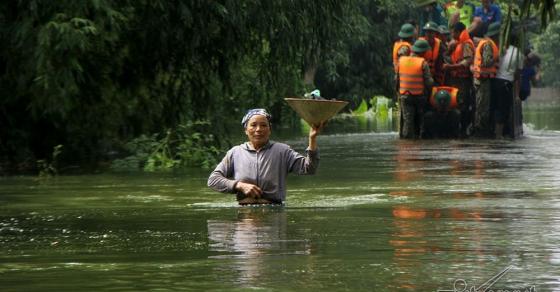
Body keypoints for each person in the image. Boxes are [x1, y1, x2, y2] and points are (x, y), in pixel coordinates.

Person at [207, 108, 323, 205]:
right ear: (246, 130)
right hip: (245, 217)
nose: (258, 129)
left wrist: (312, 139)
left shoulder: (282, 151)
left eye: (263, 125)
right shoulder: (235, 152)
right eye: (253, 125)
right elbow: (213, 180)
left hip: (274, 212)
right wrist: (239, 185)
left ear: (269, 130)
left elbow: (310, 168)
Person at [396, 39, 434, 139]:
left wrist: (399, 92)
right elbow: (429, 82)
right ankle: (419, 140)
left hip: (405, 95)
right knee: (420, 121)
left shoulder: (401, 61)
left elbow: (397, 79)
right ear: (423, 52)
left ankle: (407, 143)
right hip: (419, 97)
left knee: (408, 120)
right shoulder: (423, 63)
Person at [443, 22, 475, 136]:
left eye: (453, 32)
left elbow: (466, 63)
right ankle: (456, 129)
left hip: (463, 81)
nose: (451, 35)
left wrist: (450, 67)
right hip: (455, 79)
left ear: (458, 32)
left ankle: (463, 130)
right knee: (455, 104)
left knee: (462, 105)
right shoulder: (458, 43)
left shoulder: (466, 44)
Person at [472, 22, 500, 137]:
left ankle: (480, 130)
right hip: (482, 80)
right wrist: (497, 57)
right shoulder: (488, 44)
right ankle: (480, 131)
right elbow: (486, 62)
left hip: (482, 79)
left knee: (481, 106)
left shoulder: (485, 42)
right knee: (482, 108)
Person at [492, 34, 524, 138]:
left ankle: (495, 132)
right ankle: (499, 134)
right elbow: (517, 75)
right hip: (506, 83)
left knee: (495, 107)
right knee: (503, 109)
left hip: (495, 81)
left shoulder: (501, 50)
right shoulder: (519, 54)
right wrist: (517, 94)